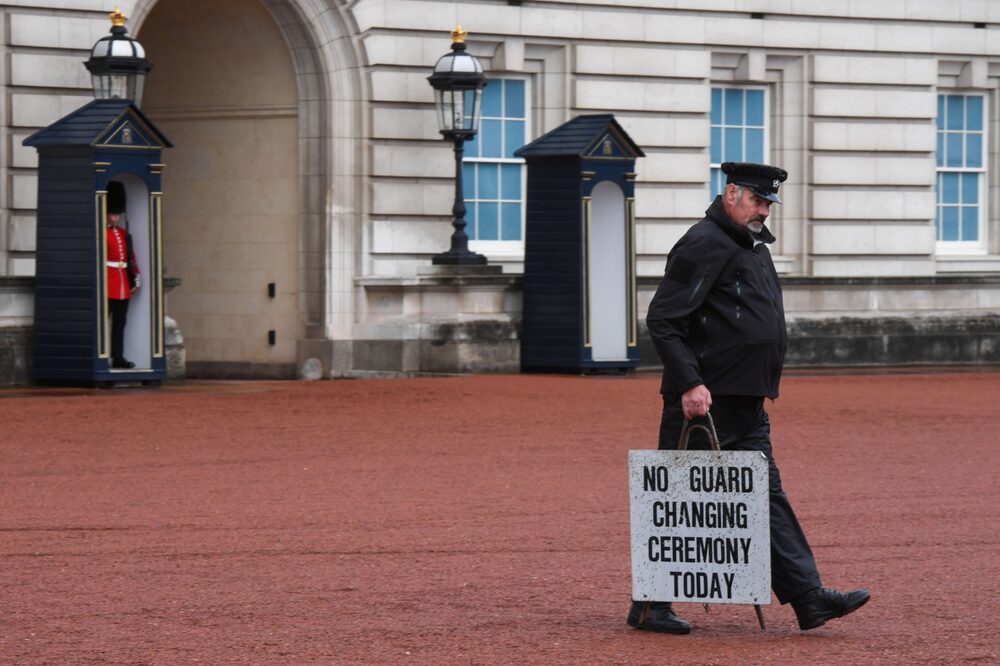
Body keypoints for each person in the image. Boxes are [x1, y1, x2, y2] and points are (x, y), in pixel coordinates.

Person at [628, 162, 870, 634]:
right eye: (758, 201)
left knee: (766, 497)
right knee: (683, 503)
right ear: (732, 193)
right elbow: (664, 320)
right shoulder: (703, 242)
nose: (764, 211)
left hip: (745, 401)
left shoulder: (748, 243)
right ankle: (648, 608)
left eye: (769, 203)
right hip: (705, 401)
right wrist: (689, 384)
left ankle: (808, 598)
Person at [106, 181, 140, 369]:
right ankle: (102, 355)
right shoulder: (102, 233)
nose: (116, 217)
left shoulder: (123, 233)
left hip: (122, 284)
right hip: (108, 282)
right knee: (105, 323)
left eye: (118, 214)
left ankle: (118, 356)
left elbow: (131, 257)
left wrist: (135, 277)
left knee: (119, 324)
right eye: (113, 213)